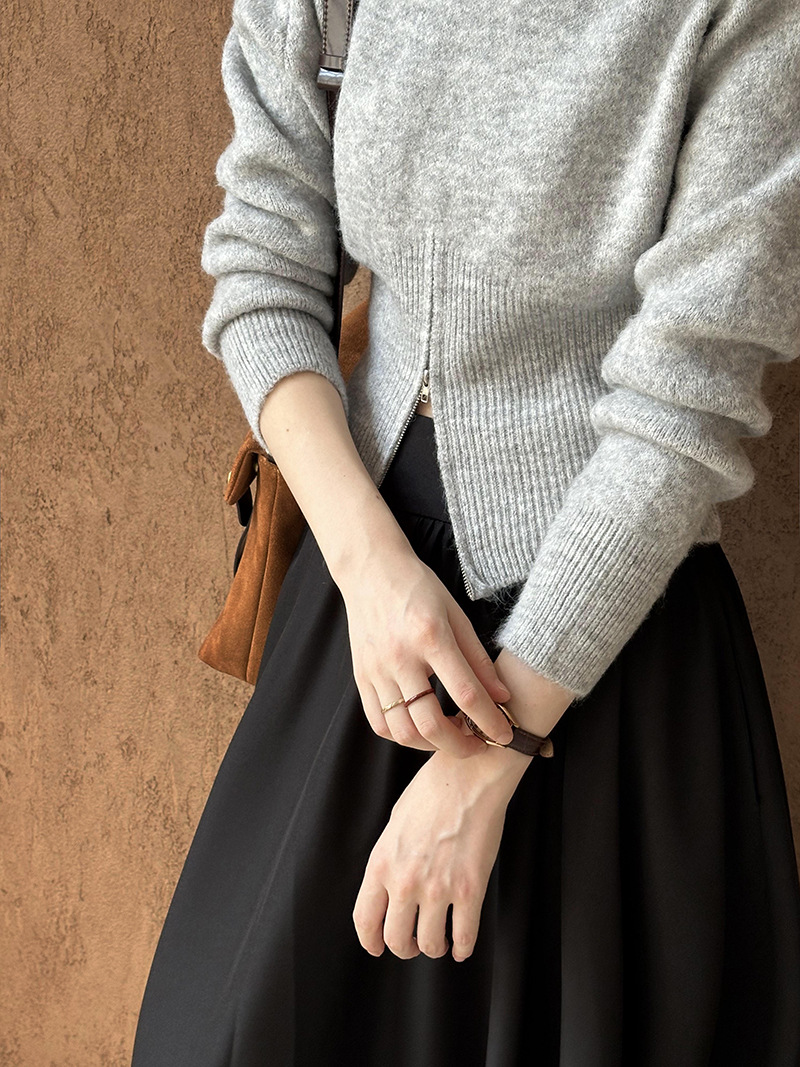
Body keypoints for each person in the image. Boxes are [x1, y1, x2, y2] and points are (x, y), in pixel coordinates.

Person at [131, 0, 800, 1062]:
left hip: (616, 648)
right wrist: (369, 570)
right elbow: (264, 262)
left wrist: (496, 753)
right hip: (371, 614)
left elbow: (687, 404)